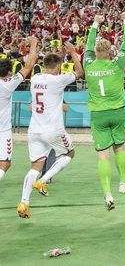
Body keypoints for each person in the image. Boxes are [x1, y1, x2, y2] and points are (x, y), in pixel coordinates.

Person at [17, 43, 83, 219]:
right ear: (59, 66)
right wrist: (73, 53)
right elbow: (80, 73)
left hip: (34, 130)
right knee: (69, 153)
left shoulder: (36, 78)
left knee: (34, 167)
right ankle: (43, 181)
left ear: (44, 65)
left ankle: (24, 202)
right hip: (52, 129)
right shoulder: (59, 80)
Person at [84, 12, 125, 211]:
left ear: (96, 51)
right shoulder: (117, 63)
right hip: (117, 111)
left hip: (99, 114)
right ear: (110, 52)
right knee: (119, 148)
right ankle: (122, 182)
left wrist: (96, 23)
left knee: (103, 156)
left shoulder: (88, 63)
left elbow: (87, 46)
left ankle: (107, 194)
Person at [0, 37, 38, 182]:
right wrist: (33, 44)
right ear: (9, 73)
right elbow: (28, 66)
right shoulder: (8, 84)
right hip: (2, 130)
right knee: (5, 162)